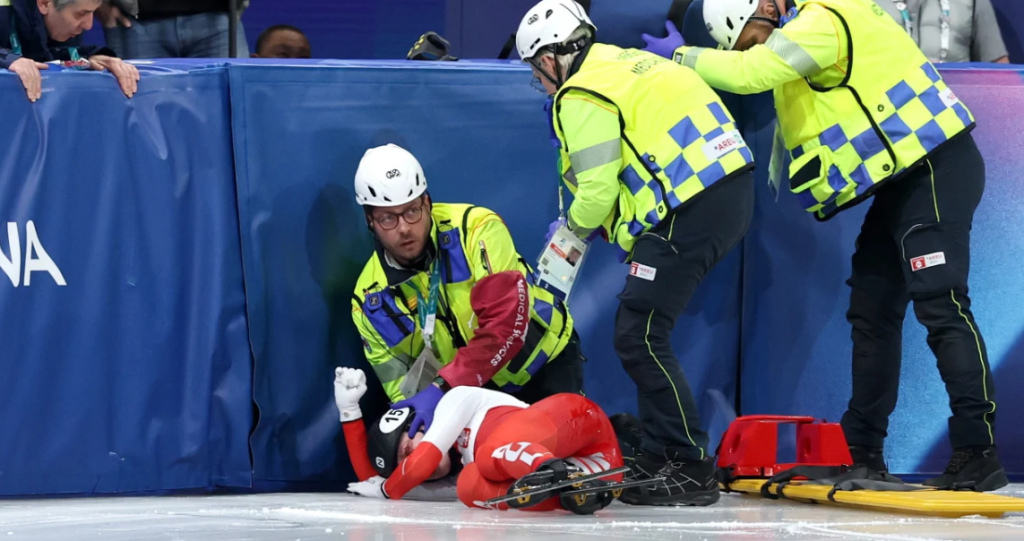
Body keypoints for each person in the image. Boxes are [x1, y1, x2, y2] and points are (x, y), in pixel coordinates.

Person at [641, 0, 1006, 491]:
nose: (752, 47)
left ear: (755, 12)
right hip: (903, 178)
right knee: (871, 311)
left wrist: (683, 56)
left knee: (941, 305)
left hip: (936, 168)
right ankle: (861, 451)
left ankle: (977, 451)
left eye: (746, 38)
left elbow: (753, 73)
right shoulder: (808, 29)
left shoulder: (823, 18)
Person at [514, 0, 755, 507]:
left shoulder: (580, 92)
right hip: (722, 191)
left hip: (691, 203)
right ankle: (663, 452)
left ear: (553, 57)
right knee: (643, 330)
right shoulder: (627, 63)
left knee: (639, 331)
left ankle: (688, 464)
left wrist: (572, 230)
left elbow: (597, 191)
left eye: (538, 69)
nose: (542, 82)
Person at [350, 143, 585, 437]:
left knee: (566, 459)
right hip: (473, 393)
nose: (404, 228)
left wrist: (442, 387)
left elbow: (507, 325)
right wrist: (421, 423)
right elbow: (402, 386)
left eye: (412, 211)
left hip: (543, 362)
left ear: (428, 202)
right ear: (369, 221)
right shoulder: (369, 301)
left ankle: (625, 436)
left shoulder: (477, 229)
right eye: (388, 217)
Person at [335, 367, 624, 514]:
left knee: (486, 457)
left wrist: (386, 490)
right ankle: (570, 493)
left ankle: (551, 470)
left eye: (408, 449)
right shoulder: (450, 471)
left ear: (418, 424)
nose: (411, 463)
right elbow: (373, 480)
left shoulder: (454, 399)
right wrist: (349, 412)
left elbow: (408, 473)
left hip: (580, 422)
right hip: (603, 473)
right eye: (404, 465)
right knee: (468, 486)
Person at [1, 0, 139, 102]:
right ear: (44, 3)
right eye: (81, 14)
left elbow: (47, 51)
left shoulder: (58, 23)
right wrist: (8, 59)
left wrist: (87, 57)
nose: (89, 25)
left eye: (93, 12)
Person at [96, 0, 248, 59]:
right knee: (139, 115)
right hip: (134, 22)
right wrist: (99, 3)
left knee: (233, 113)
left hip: (218, 20)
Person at [877, 0, 1009, 64]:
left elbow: (997, 64)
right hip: (884, 108)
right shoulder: (861, 4)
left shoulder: (973, 2)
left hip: (956, 107)